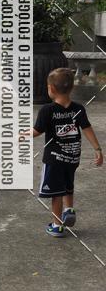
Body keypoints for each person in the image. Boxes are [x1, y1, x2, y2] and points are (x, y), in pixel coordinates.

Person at [33, 67, 103, 237]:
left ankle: (57, 226)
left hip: (54, 159)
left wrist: (21, 134)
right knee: (67, 182)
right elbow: (87, 128)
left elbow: (37, 131)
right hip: (72, 157)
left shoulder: (47, 110)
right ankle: (69, 209)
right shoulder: (78, 108)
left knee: (55, 192)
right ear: (72, 88)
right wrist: (98, 149)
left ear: (51, 89)